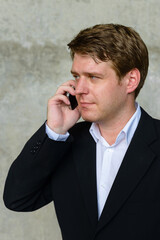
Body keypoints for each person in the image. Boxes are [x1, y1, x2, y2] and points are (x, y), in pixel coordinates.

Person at [3, 24, 160, 240]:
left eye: (93, 77)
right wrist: (54, 131)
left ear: (130, 80)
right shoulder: (64, 142)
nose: (79, 89)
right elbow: (17, 199)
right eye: (77, 76)